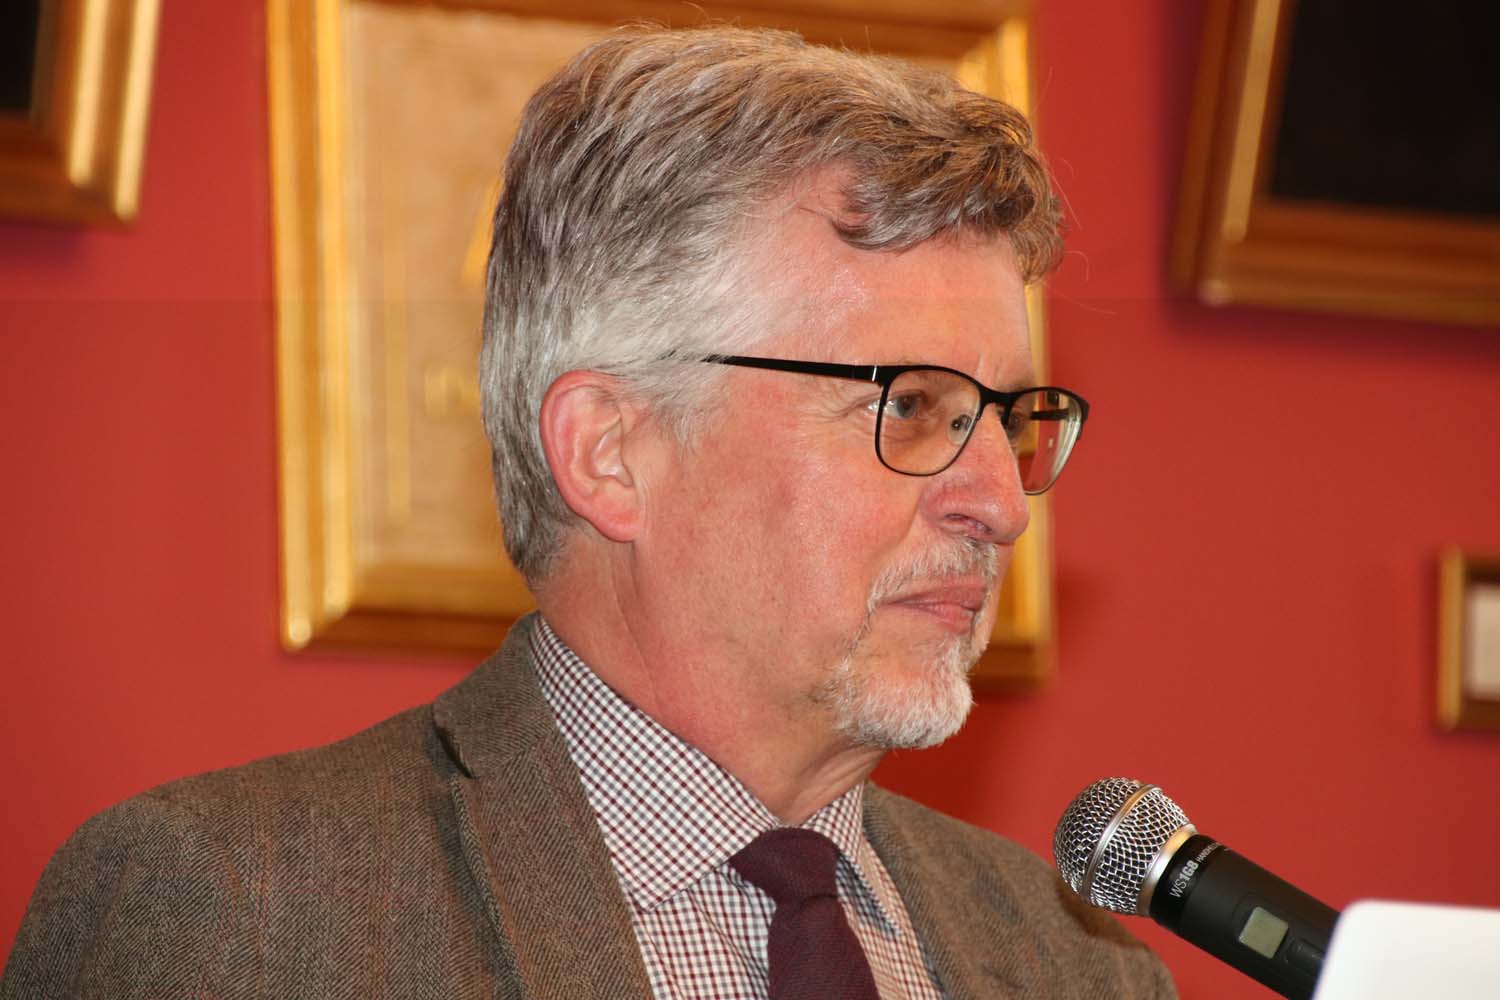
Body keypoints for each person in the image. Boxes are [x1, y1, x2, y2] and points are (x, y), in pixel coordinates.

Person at [1, 26, 1174, 999]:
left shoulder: (1081, 967)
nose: (1001, 503)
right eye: (912, 405)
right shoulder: (238, 916)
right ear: (609, 452)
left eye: (1011, 417)